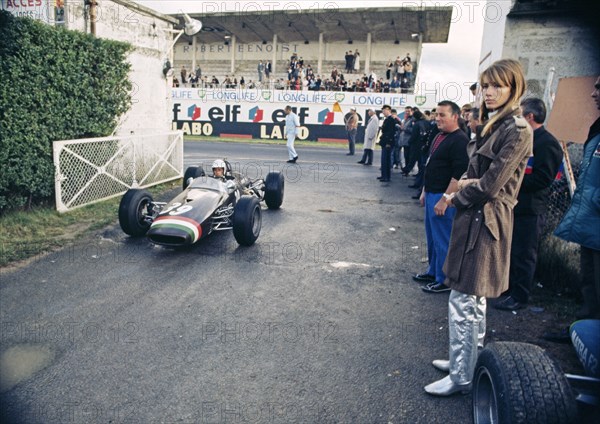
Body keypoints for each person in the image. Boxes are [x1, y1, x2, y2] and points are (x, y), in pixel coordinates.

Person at [424, 59, 532, 396]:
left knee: (464, 301)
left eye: (497, 85)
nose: (488, 92)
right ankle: (464, 362)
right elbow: (480, 179)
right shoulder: (497, 125)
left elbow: (488, 185)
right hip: (476, 219)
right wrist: (467, 186)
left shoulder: (517, 129)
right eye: (485, 85)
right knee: (472, 301)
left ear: (513, 88)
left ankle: (462, 376)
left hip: (485, 223)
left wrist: (454, 196)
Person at [495, 98, 563, 311]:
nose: (515, 119)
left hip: (530, 209)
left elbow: (544, 179)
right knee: (510, 250)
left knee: (524, 254)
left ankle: (520, 296)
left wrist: (511, 181)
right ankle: (507, 289)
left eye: (519, 114)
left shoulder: (547, 143)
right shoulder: (523, 138)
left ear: (530, 117)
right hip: (513, 206)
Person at [554, 76, 600, 320]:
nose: (593, 93)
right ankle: (584, 329)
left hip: (594, 215)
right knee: (589, 281)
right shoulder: (597, 127)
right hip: (590, 223)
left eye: (599, 88)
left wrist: (593, 199)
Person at [414, 102, 469, 294]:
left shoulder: (460, 140)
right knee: (432, 237)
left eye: (442, 115)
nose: (437, 118)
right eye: (436, 114)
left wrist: (445, 199)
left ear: (455, 116)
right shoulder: (439, 136)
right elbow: (430, 165)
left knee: (443, 238)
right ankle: (433, 271)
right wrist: (424, 191)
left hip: (443, 196)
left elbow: (458, 174)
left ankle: (445, 280)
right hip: (431, 192)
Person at [377, 105, 395, 182]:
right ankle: (383, 175)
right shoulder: (387, 119)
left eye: (384, 110)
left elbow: (391, 132)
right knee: (383, 160)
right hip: (384, 141)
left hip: (387, 142)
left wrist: (388, 142)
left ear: (388, 110)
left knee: (386, 160)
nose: (383, 112)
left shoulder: (391, 119)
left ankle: (386, 176)